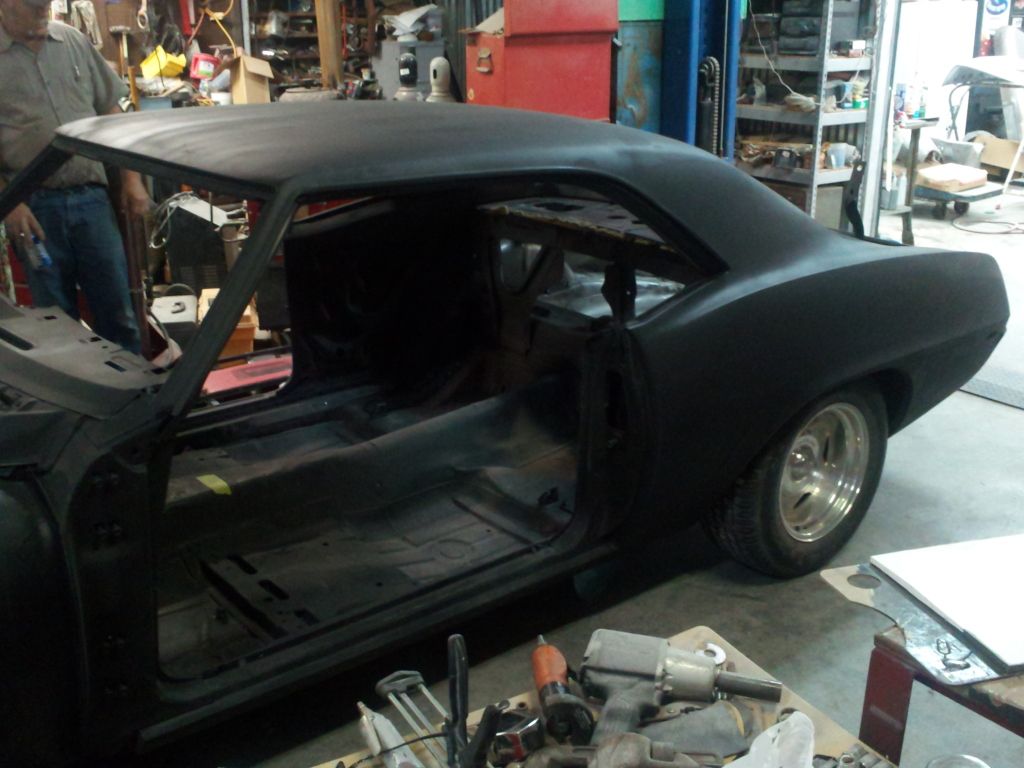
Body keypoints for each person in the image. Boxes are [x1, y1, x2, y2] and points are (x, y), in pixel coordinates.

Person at [0, 0, 148, 353]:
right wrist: (10, 204)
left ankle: (130, 387)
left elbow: (111, 111)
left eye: (46, 5)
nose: (43, 12)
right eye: (34, 6)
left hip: (92, 201)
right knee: (57, 328)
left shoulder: (73, 42)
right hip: (34, 211)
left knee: (119, 315)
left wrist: (131, 179)